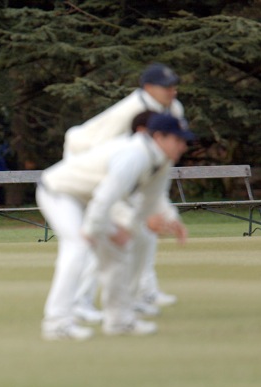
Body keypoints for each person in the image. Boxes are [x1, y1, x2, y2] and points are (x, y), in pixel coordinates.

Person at [37, 113, 192, 341]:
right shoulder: (134, 155)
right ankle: (56, 323)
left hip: (90, 200)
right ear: (159, 137)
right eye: (178, 140)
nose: (183, 146)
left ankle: (119, 320)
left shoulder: (161, 160)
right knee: (77, 247)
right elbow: (106, 194)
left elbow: (153, 198)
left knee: (118, 251)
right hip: (59, 191)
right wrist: (93, 230)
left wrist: (171, 219)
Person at [64, 63, 185, 323]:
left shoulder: (174, 109)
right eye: (166, 87)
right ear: (149, 88)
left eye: (174, 85)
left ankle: (141, 294)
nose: (172, 91)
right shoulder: (130, 111)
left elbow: (167, 151)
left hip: (130, 170)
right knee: (102, 232)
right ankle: (79, 302)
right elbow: (98, 150)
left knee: (144, 232)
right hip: (86, 160)